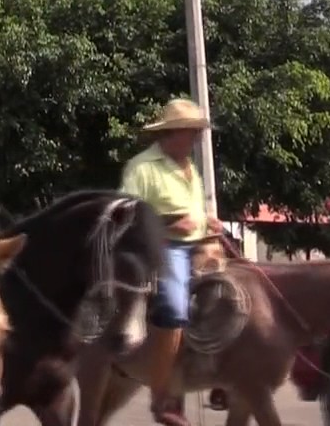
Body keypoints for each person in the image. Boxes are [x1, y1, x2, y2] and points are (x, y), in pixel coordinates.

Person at [120, 98, 223, 426]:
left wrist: (210, 223)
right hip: (163, 248)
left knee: (241, 295)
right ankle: (162, 396)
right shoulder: (142, 167)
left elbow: (194, 215)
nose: (195, 139)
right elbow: (124, 215)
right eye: (191, 133)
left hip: (201, 245)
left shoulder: (191, 169)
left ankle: (222, 377)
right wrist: (165, 226)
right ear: (173, 132)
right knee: (175, 305)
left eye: (197, 133)